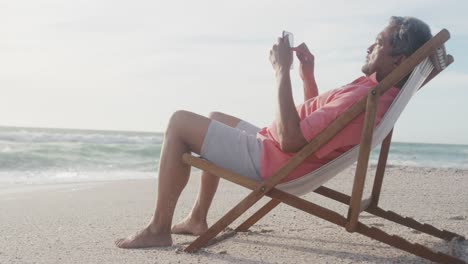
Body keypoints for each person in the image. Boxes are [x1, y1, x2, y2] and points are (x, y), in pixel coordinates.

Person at [115, 16, 433, 248]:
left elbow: (293, 140)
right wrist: (307, 75)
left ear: (399, 59)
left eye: (378, 42)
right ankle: (198, 218)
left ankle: (159, 227)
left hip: (277, 162)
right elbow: (320, 129)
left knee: (179, 122)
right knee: (215, 118)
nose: (368, 47)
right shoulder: (377, 93)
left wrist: (282, 72)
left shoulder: (365, 98)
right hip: (283, 153)